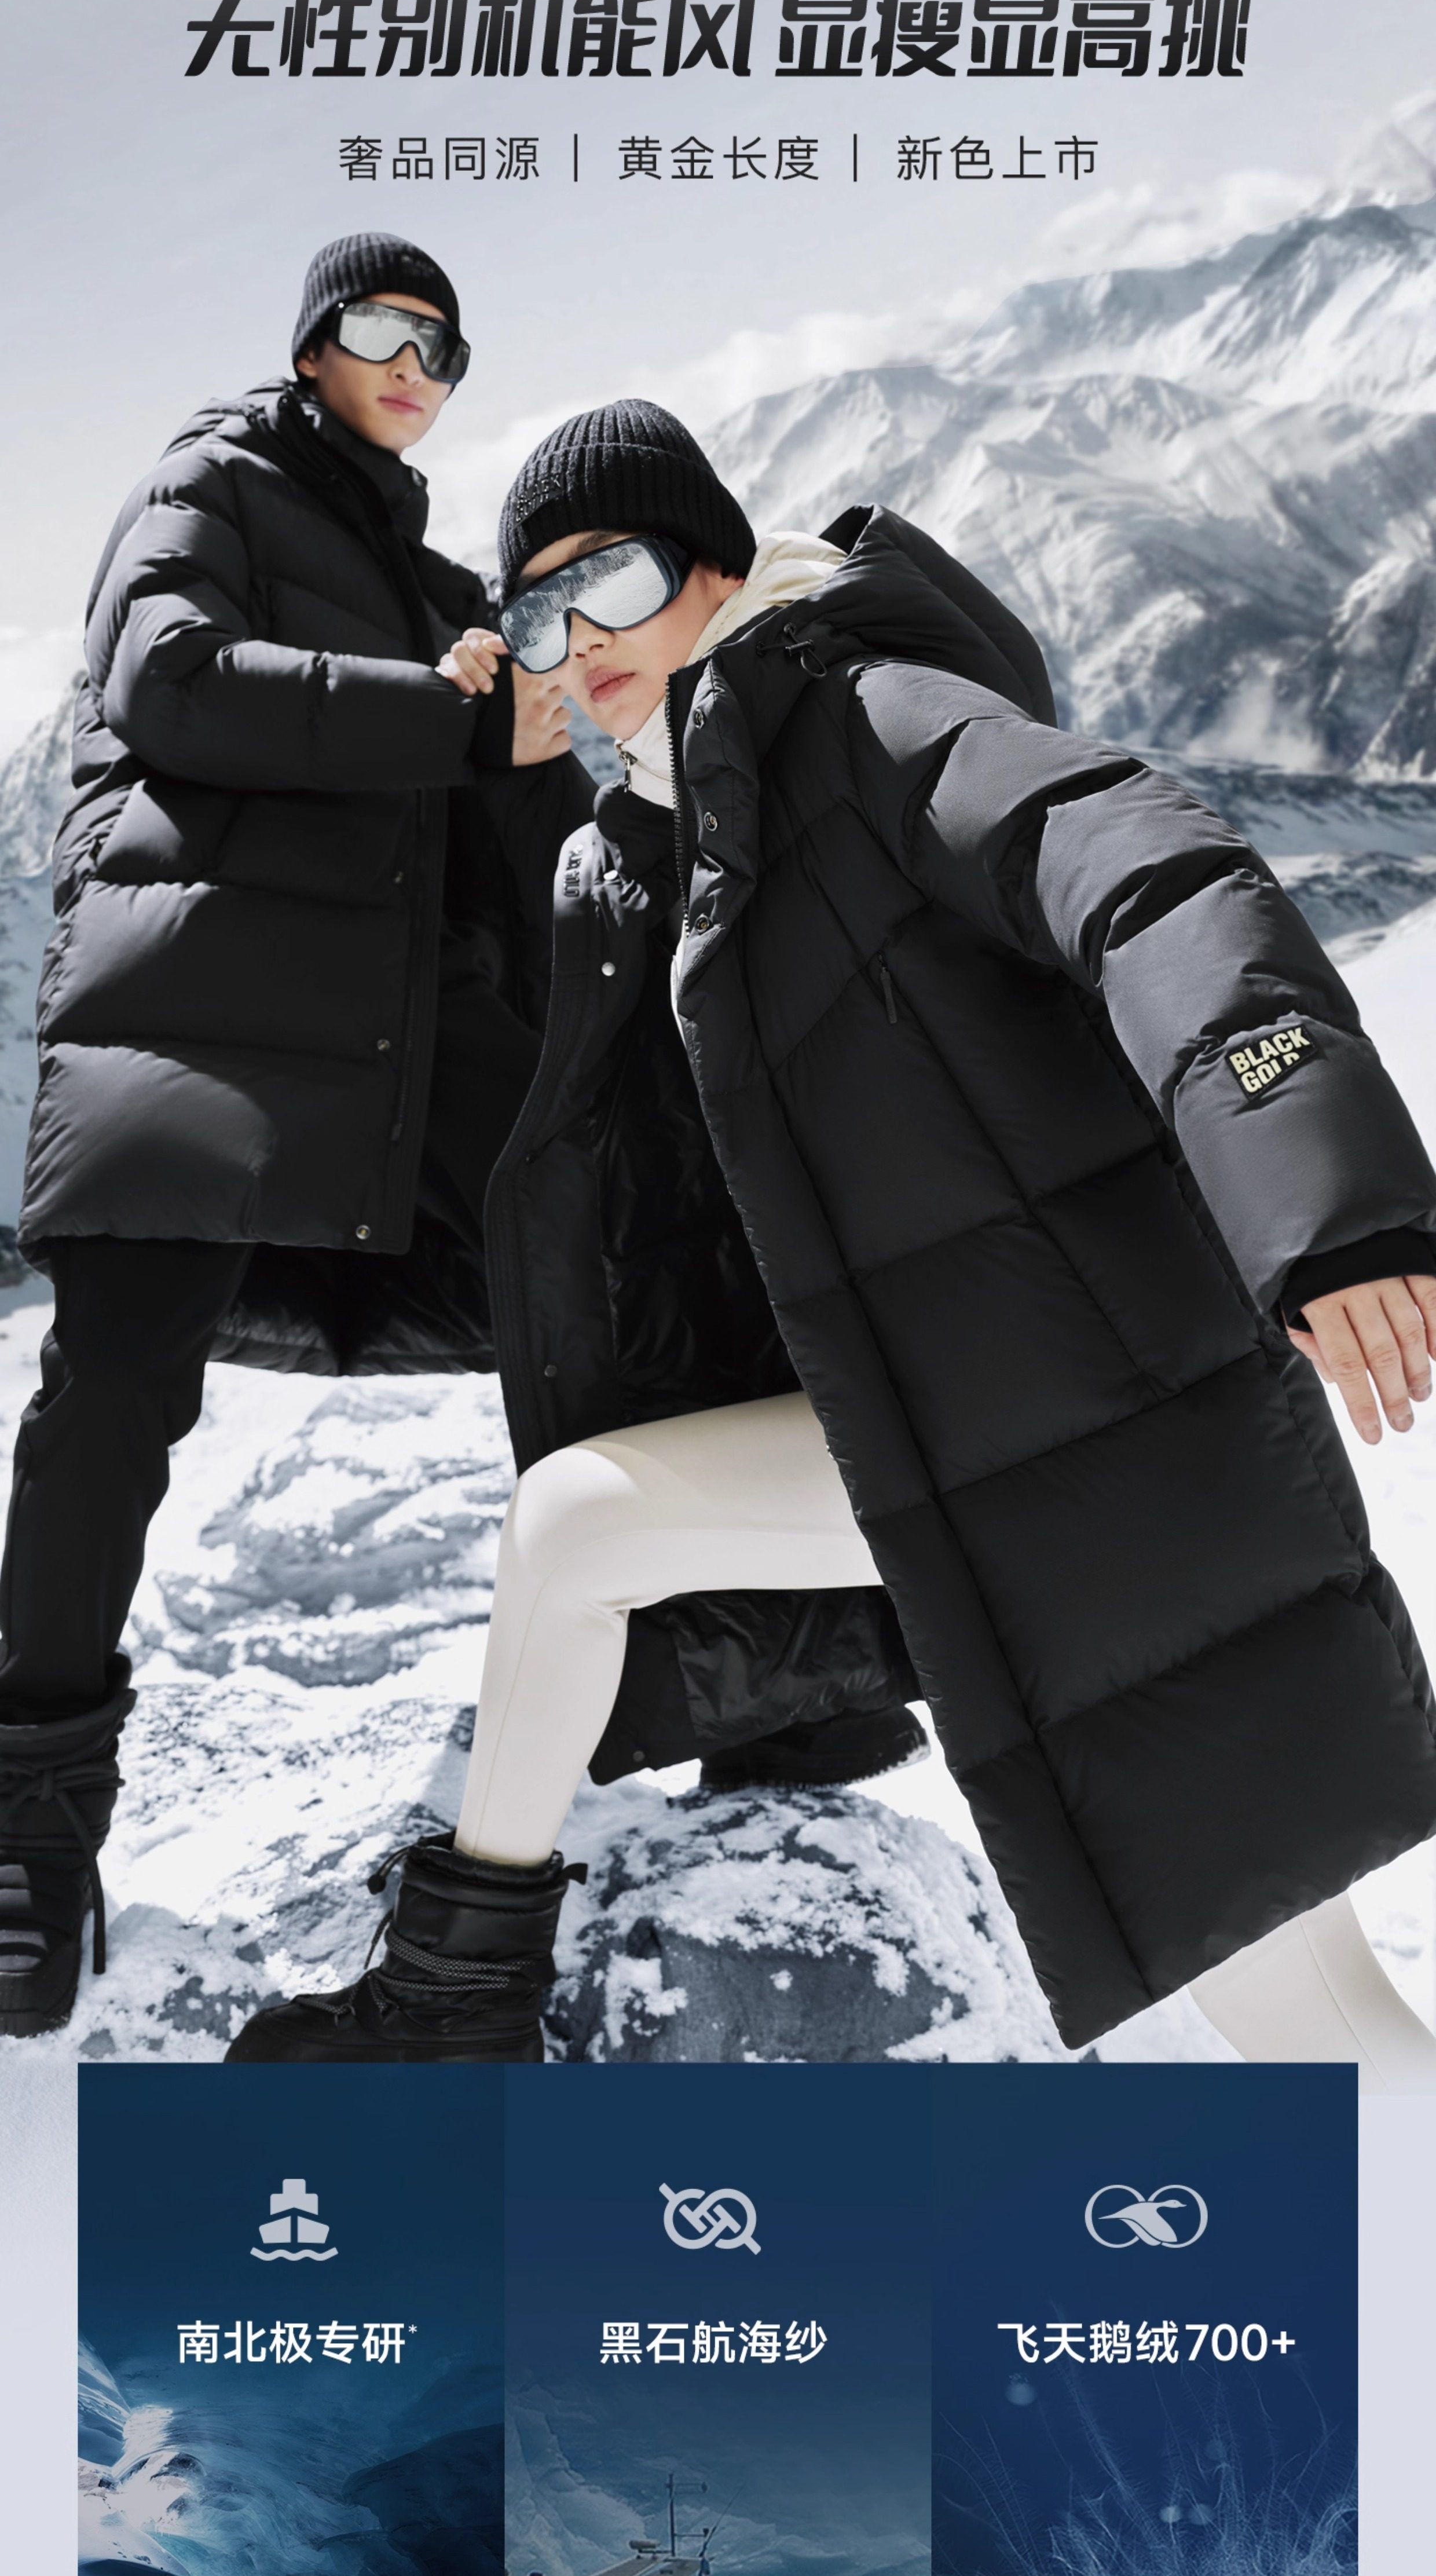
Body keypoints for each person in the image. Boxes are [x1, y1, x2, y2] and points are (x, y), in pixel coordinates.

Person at [226, 399, 1436, 2081]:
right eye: (535, 618)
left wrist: (1325, 1195)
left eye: (611, 579)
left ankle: (453, 2000)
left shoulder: (864, 714)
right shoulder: (674, 854)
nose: (578, 643)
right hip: (958, 1433)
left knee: (1314, 2020)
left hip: (1107, 1435)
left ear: (717, 565)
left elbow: (1144, 867)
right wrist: (223, 1275)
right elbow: (598, 1240)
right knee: (1316, 2018)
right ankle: (457, 1994)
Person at [0, 233, 598, 2038]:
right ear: (315, 339)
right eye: (389, 326)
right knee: (117, 1396)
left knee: (612, 1283)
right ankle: (28, 1837)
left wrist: (525, 736)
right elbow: (169, 683)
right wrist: (447, 712)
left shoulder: (432, 583)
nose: (421, 363)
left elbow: (506, 829)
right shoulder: (213, 483)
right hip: (193, 1011)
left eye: (450, 347)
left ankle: (742, 1683)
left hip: (387, 1038)